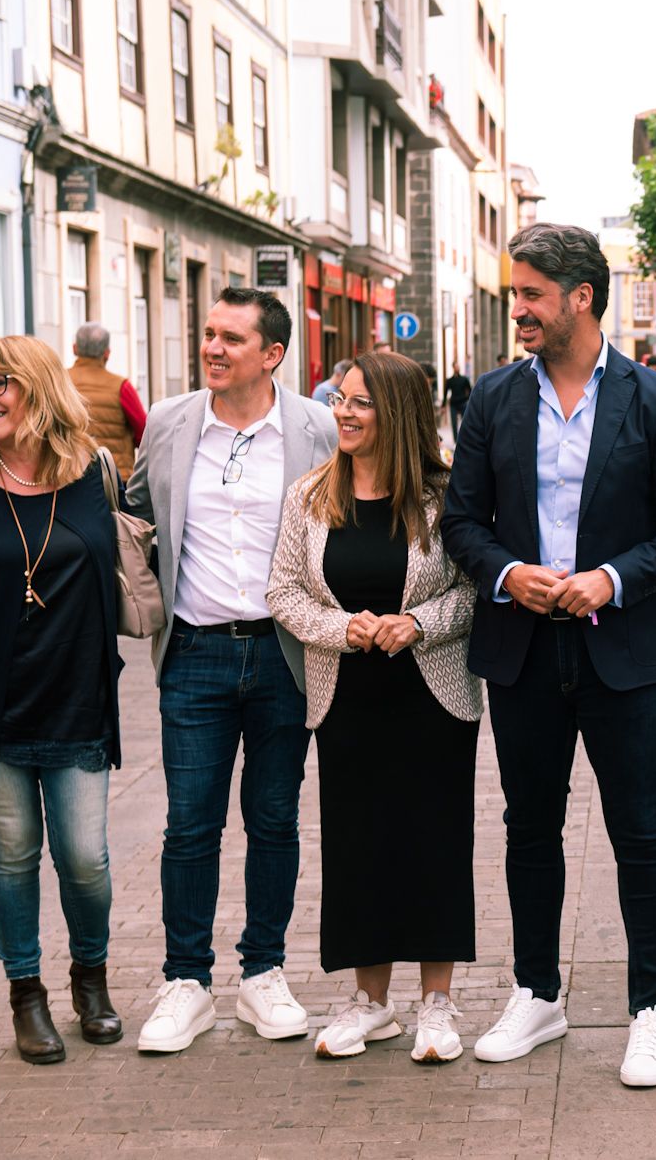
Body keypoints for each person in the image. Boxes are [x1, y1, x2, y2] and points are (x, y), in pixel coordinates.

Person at [441, 223, 656, 1088]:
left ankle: (651, 1011)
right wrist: (508, 572)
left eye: (529, 294)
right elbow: (460, 522)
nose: (516, 308)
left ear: (580, 297)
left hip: (624, 650)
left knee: (641, 834)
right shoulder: (491, 400)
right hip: (521, 649)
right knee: (529, 830)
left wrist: (611, 578)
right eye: (514, 294)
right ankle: (537, 994)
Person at [125, 288, 337, 1053]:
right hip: (195, 652)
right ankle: (186, 981)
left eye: (231, 339)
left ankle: (262, 973)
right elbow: (140, 513)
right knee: (190, 823)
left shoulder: (317, 428)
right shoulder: (171, 423)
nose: (212, 348)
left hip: (287, 650)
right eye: (208, 334)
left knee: (274, 818)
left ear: (272, 354)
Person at [267, 348, 483, 1063]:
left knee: (434, 842)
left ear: (396, 411)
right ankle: (370, 1002)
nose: (344, 411)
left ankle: (438, 1003)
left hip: (432, 694)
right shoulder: (309, 495)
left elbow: (473, 592)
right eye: (339, 398)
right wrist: (343, 628)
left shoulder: (446, 496)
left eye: (361, 401)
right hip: (347, 696)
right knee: (358, 846)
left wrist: (417, 624)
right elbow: (283, 592)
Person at [0, 335, 126, 1064]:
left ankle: (90, 979)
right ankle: (26, 993)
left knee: (86, 861)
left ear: (38, 386)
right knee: (12, 857)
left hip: (78, 703)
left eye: (0, 382)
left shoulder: (93, 477)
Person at [66, 323, 147, 476]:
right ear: (107, 353)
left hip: (70, 475)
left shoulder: (60, 382)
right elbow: (144, 434)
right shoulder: (122, 387)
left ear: (74, 348)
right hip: (114, 477)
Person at [444, 367, 473, 441]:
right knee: (454, 423)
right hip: (453, 404)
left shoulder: (464, 379)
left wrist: (468, 400)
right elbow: (445, 393)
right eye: (456, 367)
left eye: (458, 367)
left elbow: (470, 390)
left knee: (465, 422)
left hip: (463, 402)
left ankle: (464, 439)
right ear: (453, 368)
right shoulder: (450, 380)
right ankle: (455, 440)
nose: (457, 368)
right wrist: (443, 405)